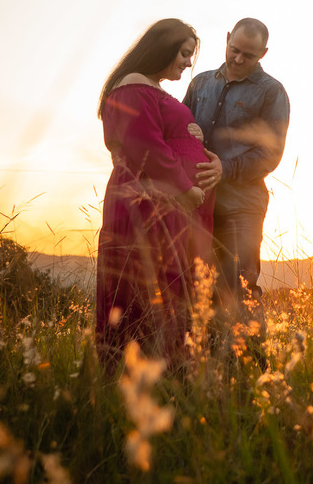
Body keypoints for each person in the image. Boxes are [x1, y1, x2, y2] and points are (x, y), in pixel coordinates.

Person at [95, 18, 219, 370]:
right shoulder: (134, 86)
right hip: (149, 203)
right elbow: (145, 145)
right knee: (144, 285)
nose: (186, 62)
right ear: (161, 48)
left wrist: (189, 132)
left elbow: (159, 134)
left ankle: (163, 373)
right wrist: (186, 190)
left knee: (164, 288)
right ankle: (141, 375)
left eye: (190, 56)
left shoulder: (147, 87)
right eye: (183, 54)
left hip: (163, 204)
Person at [184, 18, 289, 326]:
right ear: (227, 38)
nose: (239, 59)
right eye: (235, 50)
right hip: (198, 203)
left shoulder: (272, 92)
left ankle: (253, 370)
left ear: (264, 54)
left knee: (241, 290)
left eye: (250, 55)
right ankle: (210, 370)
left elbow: (271, 153)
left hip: (241, 205)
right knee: (200, 291)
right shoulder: (200, 82)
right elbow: (177, 132)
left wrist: (224, 169)